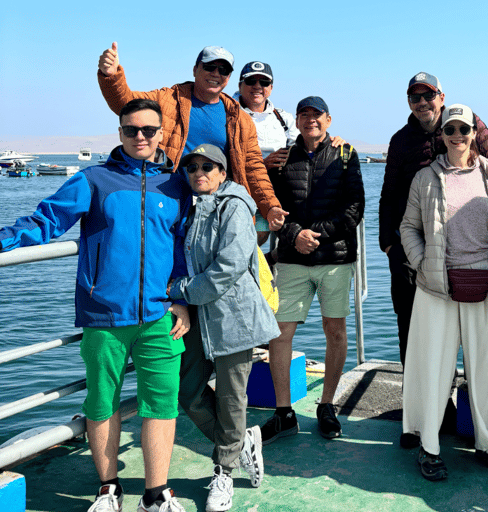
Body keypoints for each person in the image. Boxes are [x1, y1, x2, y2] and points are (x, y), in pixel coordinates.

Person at [0, 99, 191, 512]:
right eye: (130, 130)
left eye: (148, 130)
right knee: (101, 403)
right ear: (119, 132)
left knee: (161, 406)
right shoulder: (94, 179)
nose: (139, 137)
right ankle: (109, 490)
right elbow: (45, 220)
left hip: (162, 316)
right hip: (103, 313)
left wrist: (181, 299)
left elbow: (182, 249)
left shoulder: (177, 186)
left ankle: (156, 494)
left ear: (162, 134)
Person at [379, 72, 488, 448]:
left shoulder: (474, 131)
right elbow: (390, 195)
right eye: (415, 97)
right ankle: (424, 423)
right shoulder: (402, 142)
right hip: (420, 263)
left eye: (428, 96)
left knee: (478, 357)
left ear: (442, 97)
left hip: (473, 267)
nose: (422, 103)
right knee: (416, 343)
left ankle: (478, 431)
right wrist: (393, 247)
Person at [168, 144, 281, 512]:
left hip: (234, 316)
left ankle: (224, 471)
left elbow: (229, 266)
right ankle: (241, 441)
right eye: (192, 167)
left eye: (208, 166)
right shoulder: (189, 206)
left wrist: (182, 292)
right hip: (198, 317)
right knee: (187, 391)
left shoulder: (234, 206)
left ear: (223, 172)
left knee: (232, 397)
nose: (199, 172)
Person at [97, 43, 287, 233]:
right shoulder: (167, 100)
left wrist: (270, 207)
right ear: (195, 69)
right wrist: (111, 76)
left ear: (228, 78)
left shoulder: (240, 118)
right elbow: (126, 104)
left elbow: (253, 167)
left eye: (223, 70)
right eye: (210, 67)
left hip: (217, 213)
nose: (216, 73)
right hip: (169, 205)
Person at [261, 96, 364, 444]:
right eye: (304, 115)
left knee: (334, 330)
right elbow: (273, 209)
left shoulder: (345, 155)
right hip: (292, 260)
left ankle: (327, 405)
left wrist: (315, 235)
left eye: (316, 115)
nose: (310, 121)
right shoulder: (281, 160)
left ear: (328, 120)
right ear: (297, 121)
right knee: (280, 332)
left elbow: (354, 208)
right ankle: (283, 412)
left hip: (335, 260)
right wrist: (294, 235)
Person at [233, 60, 346, 247]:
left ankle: (271, 263)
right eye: (251, 81)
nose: (257, 87)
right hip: (239, 189)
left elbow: (308, 144)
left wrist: (334, 141)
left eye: (264, 82)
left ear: (271, 87)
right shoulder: (227, 113)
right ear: (240, 85)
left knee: (265, 235)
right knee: (243, 241)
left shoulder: (282, 118)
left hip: (276, 193)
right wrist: (262, 164)